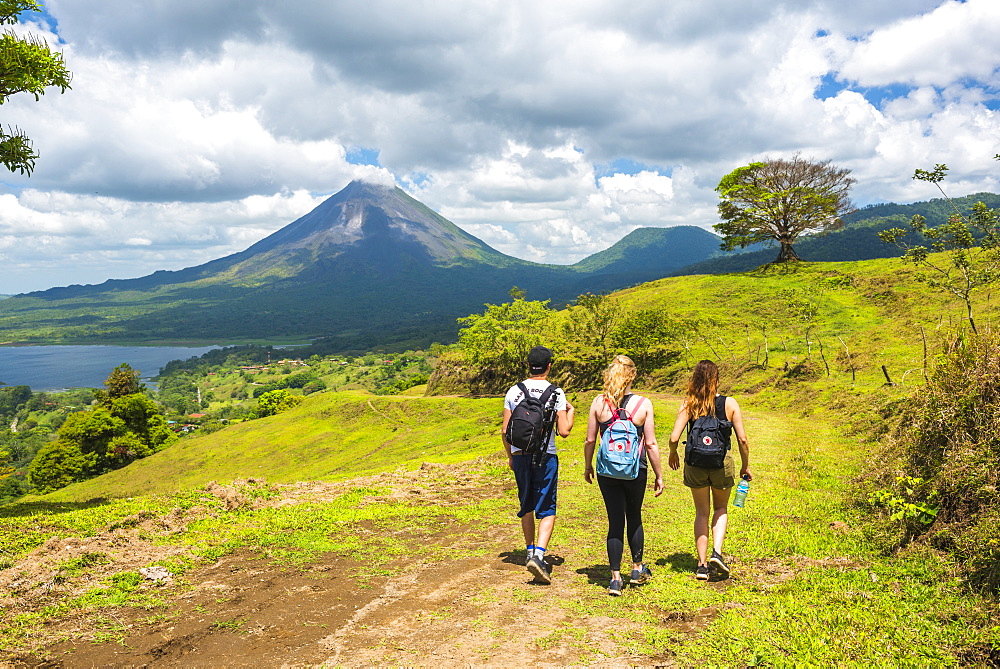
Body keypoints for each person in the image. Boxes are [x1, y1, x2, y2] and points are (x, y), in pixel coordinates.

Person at [583, 355, 664, 596]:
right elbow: (650, 444)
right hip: (635, 469)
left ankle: (615, 579)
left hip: (607, 471)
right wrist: (659, 475)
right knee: (635, 516)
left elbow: (589, 439)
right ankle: (637, 568)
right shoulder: (643, 404)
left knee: (615, 520)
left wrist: (588, 466)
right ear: (633, 375)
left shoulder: (599, 403)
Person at [668, 359, 751, 580]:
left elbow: (674, 437)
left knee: (701, 512)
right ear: (716, 379)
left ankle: (702, 565)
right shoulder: (730, 403)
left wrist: (673, 453)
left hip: (695, 464)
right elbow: (742, 439)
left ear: (694, 379)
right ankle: (717, 552)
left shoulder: (689, 403)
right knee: (721, 508)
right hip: (720, 463)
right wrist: (745, 466)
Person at [501, 345, 575, 584]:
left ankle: (529, 550)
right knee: (547, 506)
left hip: (520, 455)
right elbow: (563, 431)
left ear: (528, 365)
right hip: (545, 456)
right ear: (549, 366)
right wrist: (571, 413)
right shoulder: (557, 393)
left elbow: (505, 430)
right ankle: (540, 556)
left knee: (527, 504)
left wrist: (511, 457)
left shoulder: (514, 391)